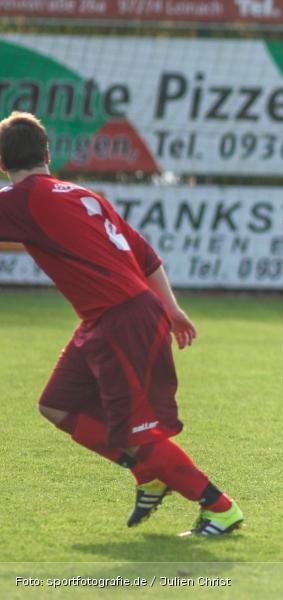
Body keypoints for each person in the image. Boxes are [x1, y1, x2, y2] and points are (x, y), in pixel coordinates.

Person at [0, 111, 243, 535]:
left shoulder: (19, 201)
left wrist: (165, 312)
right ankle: (148, 475)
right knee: (56, 405)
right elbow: (144, 255)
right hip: (108, 318)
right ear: (47, 153)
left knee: (139, 434)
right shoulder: (81, 195)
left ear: (2, 163)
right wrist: (172, 307)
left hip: (123, 320)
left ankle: (220, 507)